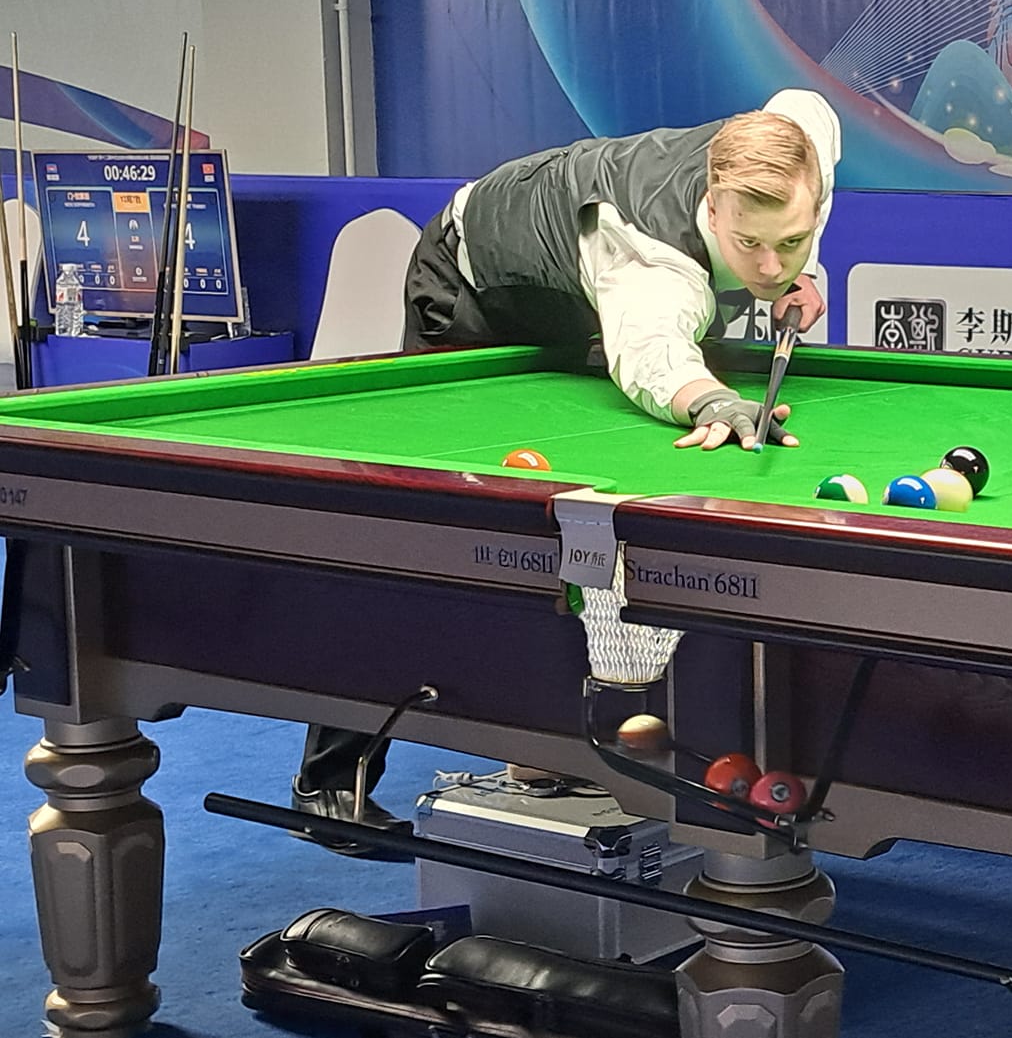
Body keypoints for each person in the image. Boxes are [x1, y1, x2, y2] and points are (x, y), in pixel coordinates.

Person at [291, 90, 841, 855]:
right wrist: (713, 400)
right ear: (713, 206)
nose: (771, 263)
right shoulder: (654, 260)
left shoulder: (802, 141)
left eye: (793, 240)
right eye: (750, 244)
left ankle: (544, 747)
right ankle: (331, 780)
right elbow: (652, 355)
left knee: (573, 511)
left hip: (571, 291)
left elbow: (806, 104)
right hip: (473, 286)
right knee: (432, 526)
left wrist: (797, 274)